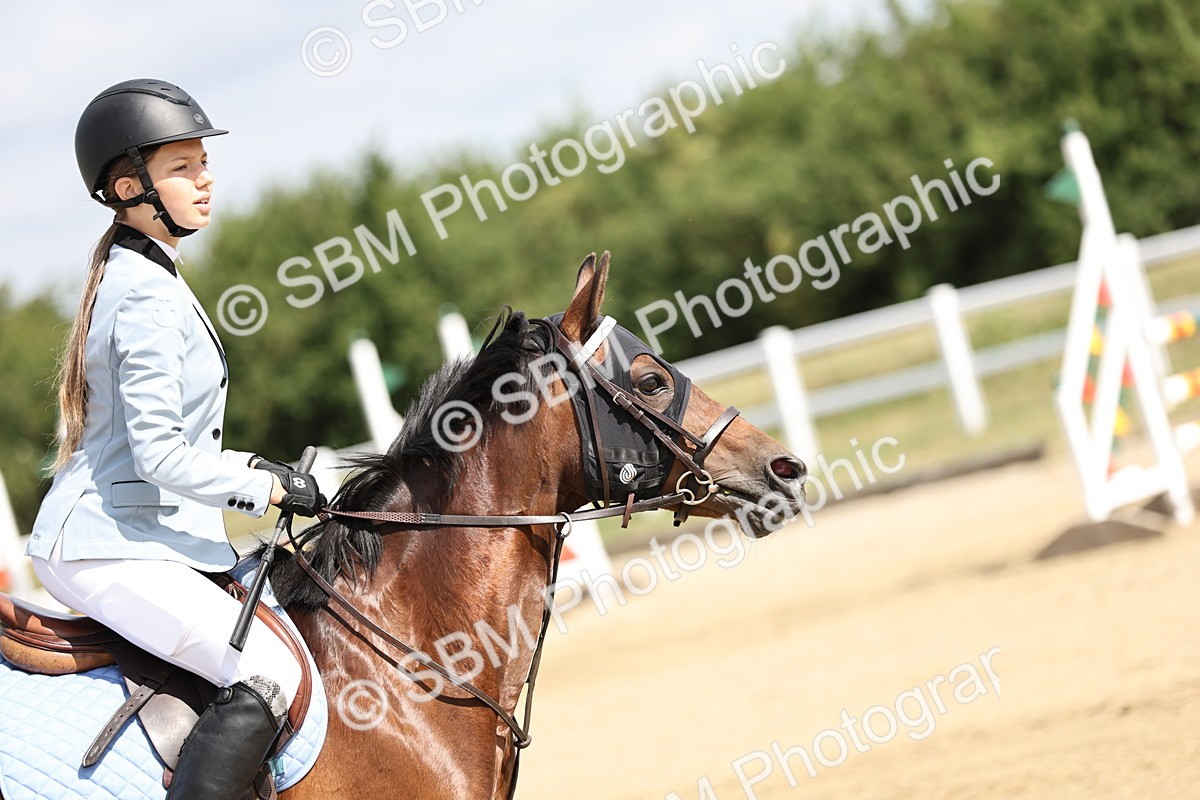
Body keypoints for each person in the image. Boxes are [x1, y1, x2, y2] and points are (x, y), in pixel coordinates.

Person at [23, 78, 325, 800]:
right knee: (269, 672)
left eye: (203, 163)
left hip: (136, 531)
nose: (205, 179)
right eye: (183, 166)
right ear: (130, 187)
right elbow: (159, 455)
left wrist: (258, 465)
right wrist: (267, 487)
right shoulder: (146, 294)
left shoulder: (147, 272)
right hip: (102, 544)